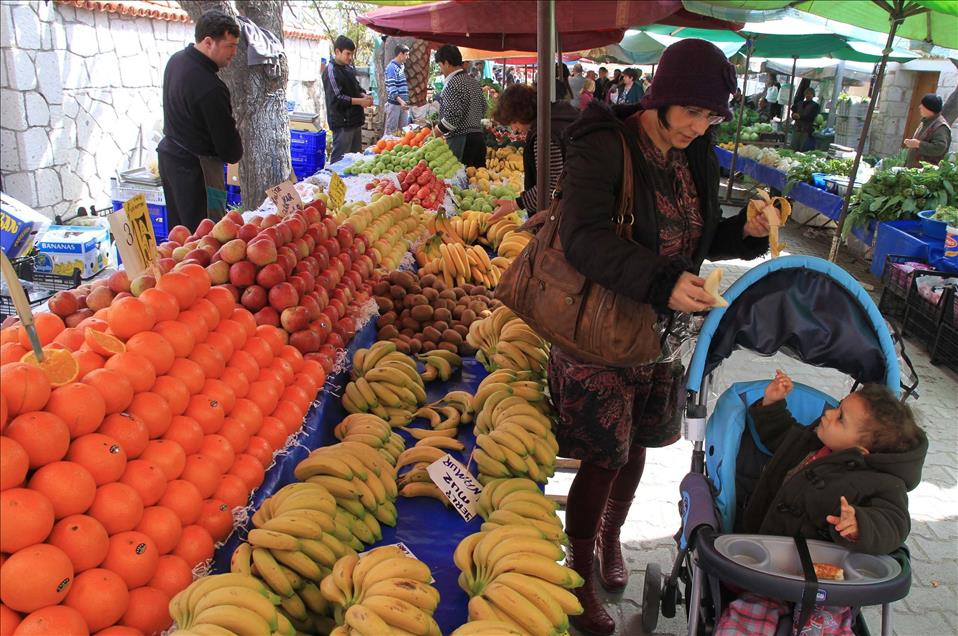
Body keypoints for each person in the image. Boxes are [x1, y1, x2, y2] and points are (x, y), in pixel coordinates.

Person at [552, 39, 770, 635]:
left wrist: (743, 234)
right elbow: (583, 239)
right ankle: (577, 569)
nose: (699, 129)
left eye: (711, 118)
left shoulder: (695, 152)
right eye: (692, 113)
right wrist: (662, 281)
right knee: (602, 453)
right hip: (601, 329)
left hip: (661, 335)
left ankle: (610, 539)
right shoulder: (604, 145)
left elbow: (693, 238)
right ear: (663, 97)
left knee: (641, 440)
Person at [715, 371, 926, 636]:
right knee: (747, 618)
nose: (828, 413)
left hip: (828, 584)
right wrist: (771, 404)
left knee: (826, 626)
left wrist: (860, 524)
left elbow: (894, 521)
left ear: (861, 451)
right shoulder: (811, 443)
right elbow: (780, 436)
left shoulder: (882, 483)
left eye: (840, 418)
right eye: (838, 406)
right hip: (769, 565)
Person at [158, 9, 242, 232]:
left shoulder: (175, 61)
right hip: (199, 172)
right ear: (208, 42)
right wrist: (235, 148)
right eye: (229, 46)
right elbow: (229, 150)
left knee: (180, 232)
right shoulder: (211, 87)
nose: (233, 53)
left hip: (170, 160)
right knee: (208, 235)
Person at [489, 81, 579, 220]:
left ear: (521, 114)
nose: (514, 129)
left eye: (513, 122)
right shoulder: (557, 114)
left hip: (571, 213)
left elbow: (550, 187)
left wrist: (515, 205)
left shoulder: (545, 134)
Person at [433, 44, 486, 168]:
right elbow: (483, 107)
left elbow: (452, 116)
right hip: (479, 139)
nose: (441, 70)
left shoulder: (452, 84)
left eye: (440, 65)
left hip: (462, 142)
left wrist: (435, 132)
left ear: (446, 63)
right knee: (477, 181)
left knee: (463, 181)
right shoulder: (473, 82)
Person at [323, 35, 373, 164]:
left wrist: (364, 95)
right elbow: (337, 98)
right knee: (339, 162)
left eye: (352, 54)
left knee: (355, 161)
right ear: (337, 52)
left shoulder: (348, 69)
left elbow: (357, 88)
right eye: (348, 54)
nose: (350, 57)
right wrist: (360, 101)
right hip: (342, 123)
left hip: (355, 121)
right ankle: (333, 183)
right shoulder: (331, 70)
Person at [904, 93, 953, 167]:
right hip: (914, 169)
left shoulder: (940, 126)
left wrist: (918, 144)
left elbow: (940, 147)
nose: (919, 107)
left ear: (929, 108)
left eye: (922, 105)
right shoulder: (926, 121)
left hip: (925, 173)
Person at [384, 43, 411, 135]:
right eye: (407, 54)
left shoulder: (401, 67)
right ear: (400, 54)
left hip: (402, 105)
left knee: (402, 132)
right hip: (395, 104)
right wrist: (400, 101)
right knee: (391, 132)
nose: (408, 57)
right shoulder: (391, 67)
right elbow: (392, 87)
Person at [790, 87, 820, 152]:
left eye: (810, 94)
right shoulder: (799, 103)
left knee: (802, 148)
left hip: (806, 130)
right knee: (793, 147)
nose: (808, 95)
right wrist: (793, 115)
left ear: (813, 95)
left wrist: (800, 117)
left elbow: (812, 117)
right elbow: (793, 112)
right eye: (807, 93)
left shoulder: (815, 106)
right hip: (797, 128)